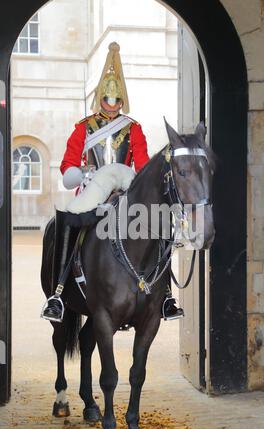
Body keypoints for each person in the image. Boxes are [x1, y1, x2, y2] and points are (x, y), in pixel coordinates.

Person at [42, 42, 183, 323]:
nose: (112, 104)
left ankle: (165, 295)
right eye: (107, 99)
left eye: (116, 100)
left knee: (159, 221)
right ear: (99, 98)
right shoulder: (83, 128)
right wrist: (84, 174)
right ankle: (58, 293)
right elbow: (69, 166)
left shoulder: (133, 129)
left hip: (125, 188)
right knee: (67, 221)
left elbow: (141, 164)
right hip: (91, 190)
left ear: (123, 100)